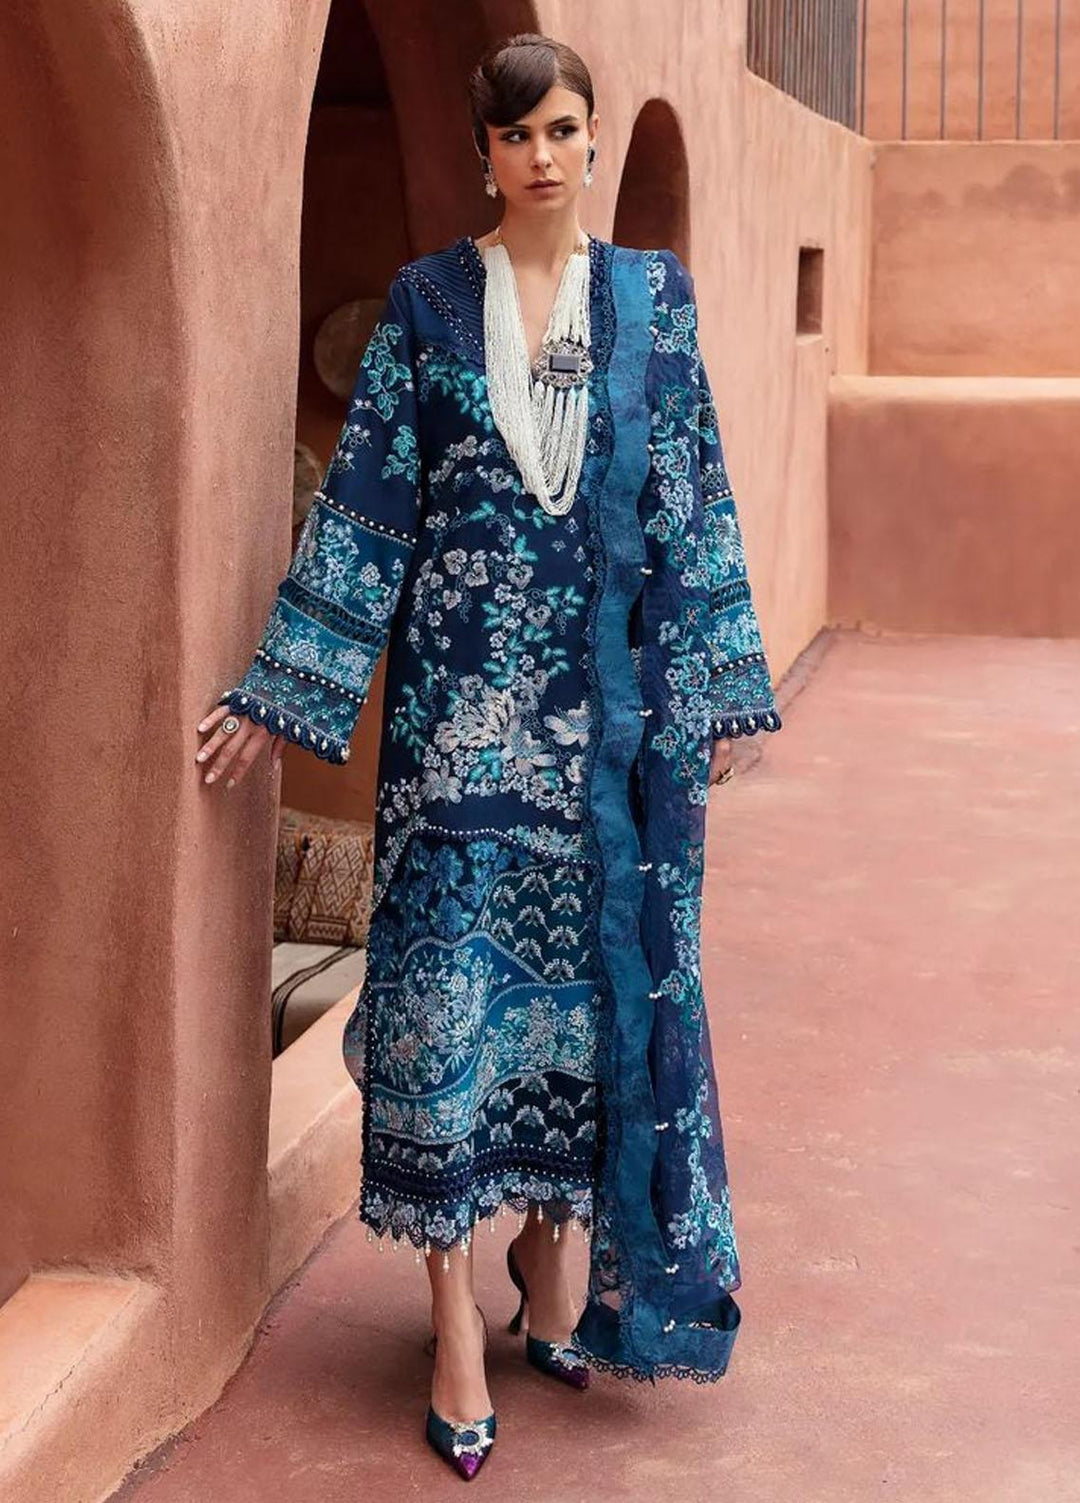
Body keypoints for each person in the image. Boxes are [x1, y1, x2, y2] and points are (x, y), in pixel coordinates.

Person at [195, 31, 781, 1481]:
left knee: (590, 995)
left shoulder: (650, 300)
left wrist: (715, 685)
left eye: (563, 129)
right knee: (449, 1000)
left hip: (605, 734)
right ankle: (454, 1313)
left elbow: (695, 492)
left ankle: (551, 1247)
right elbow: (369, 506)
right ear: (485, 155)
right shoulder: (424, 305)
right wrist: (284, 686)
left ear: (593, 142)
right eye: (515, 135)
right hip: (457, 726)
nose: (541, 155)